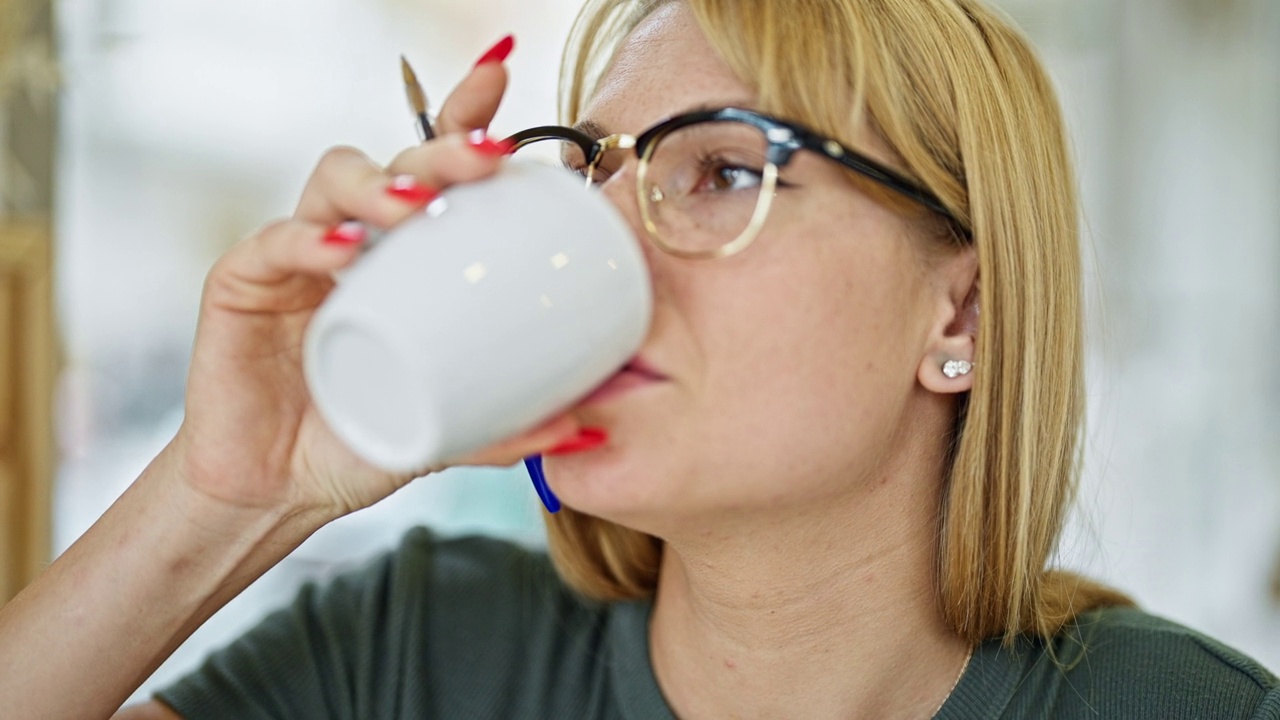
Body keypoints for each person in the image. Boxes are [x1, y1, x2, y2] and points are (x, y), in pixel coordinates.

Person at [2, 0, 1278, 717]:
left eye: (722, 170)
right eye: (585, 168)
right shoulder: (413, 653)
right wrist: (239, 493)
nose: (604, 235)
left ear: (963, 320)